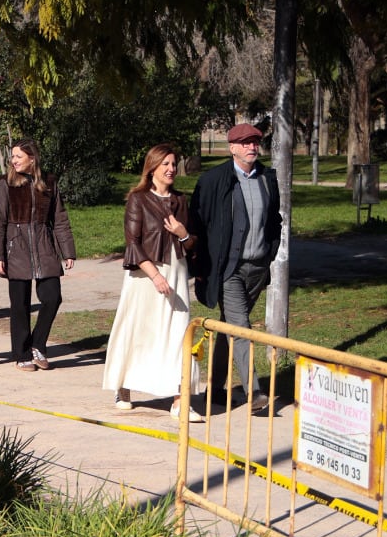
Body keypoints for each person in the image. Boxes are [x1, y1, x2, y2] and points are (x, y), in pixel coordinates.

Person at [103, 143, 203, 422]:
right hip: (145, 275)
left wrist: (183, 234)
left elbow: (192, 243)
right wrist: (155, 276)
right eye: (166, 165)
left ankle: (181, 399)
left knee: (179, 332)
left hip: (177, 272)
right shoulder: (138, 199)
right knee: (137, 329)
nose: (171, 169)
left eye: (174, 164)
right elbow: (133, 244)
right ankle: (122, 387)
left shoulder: (181, 200)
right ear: (152, 168)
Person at [190, 122, 282, 412]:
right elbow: (199, 224)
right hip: (228, 269)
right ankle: (255, 393)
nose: (251, 147)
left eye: (255, 142)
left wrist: (271, 252)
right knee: (241, 328)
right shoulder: (214, 180)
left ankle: (215, 390)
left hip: (257, 267)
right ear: (232, 148)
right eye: (244, 143)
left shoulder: (268, 178)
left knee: (230, 325)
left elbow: (275, 219)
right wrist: (203, 266)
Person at [0, 138, 75, 371]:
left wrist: (67, 250)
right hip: (15, 249)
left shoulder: (49, 183)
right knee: (20, 304)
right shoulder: (6, 185)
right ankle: (22, 354)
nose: (13, 160)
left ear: (32, 158)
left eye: (18, 156)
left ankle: (38, 344)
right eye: (13, 156)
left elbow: (59, 219)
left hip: (44, 246)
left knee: (52, 297)